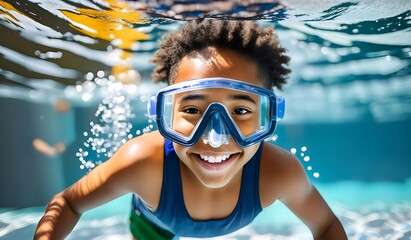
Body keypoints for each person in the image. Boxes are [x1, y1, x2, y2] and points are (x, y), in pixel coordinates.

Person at [34, 19, 347, 239]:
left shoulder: (280, 173)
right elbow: (69, 202)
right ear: (163, 115)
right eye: (193, 110)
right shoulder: (142, 163)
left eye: (240, 111)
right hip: (154, 224)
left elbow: (325, 227)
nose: (214, 138)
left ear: (269, 118)